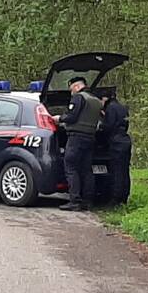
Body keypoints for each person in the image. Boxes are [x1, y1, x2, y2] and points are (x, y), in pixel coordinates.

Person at [53, 77, 102, 211]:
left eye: (71, 90)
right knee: (86, 170)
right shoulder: (96, 100)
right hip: (90, 138)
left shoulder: (79, 97)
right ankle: (87, 201)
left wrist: (59, 119)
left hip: (76, 138)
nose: (71, 93)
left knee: (71, 167)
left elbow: (72, 117)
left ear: (76, 86)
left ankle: (74, 200)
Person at [102, 94, 132, 205]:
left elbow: (108, 126)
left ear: (104, 99)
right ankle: (124, 196)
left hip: (116, 141)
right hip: (125, 139)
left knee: (116, 170)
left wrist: (102, 125)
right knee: (125, 170)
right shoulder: (123, 107)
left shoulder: (110, 108)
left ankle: (116, 198)